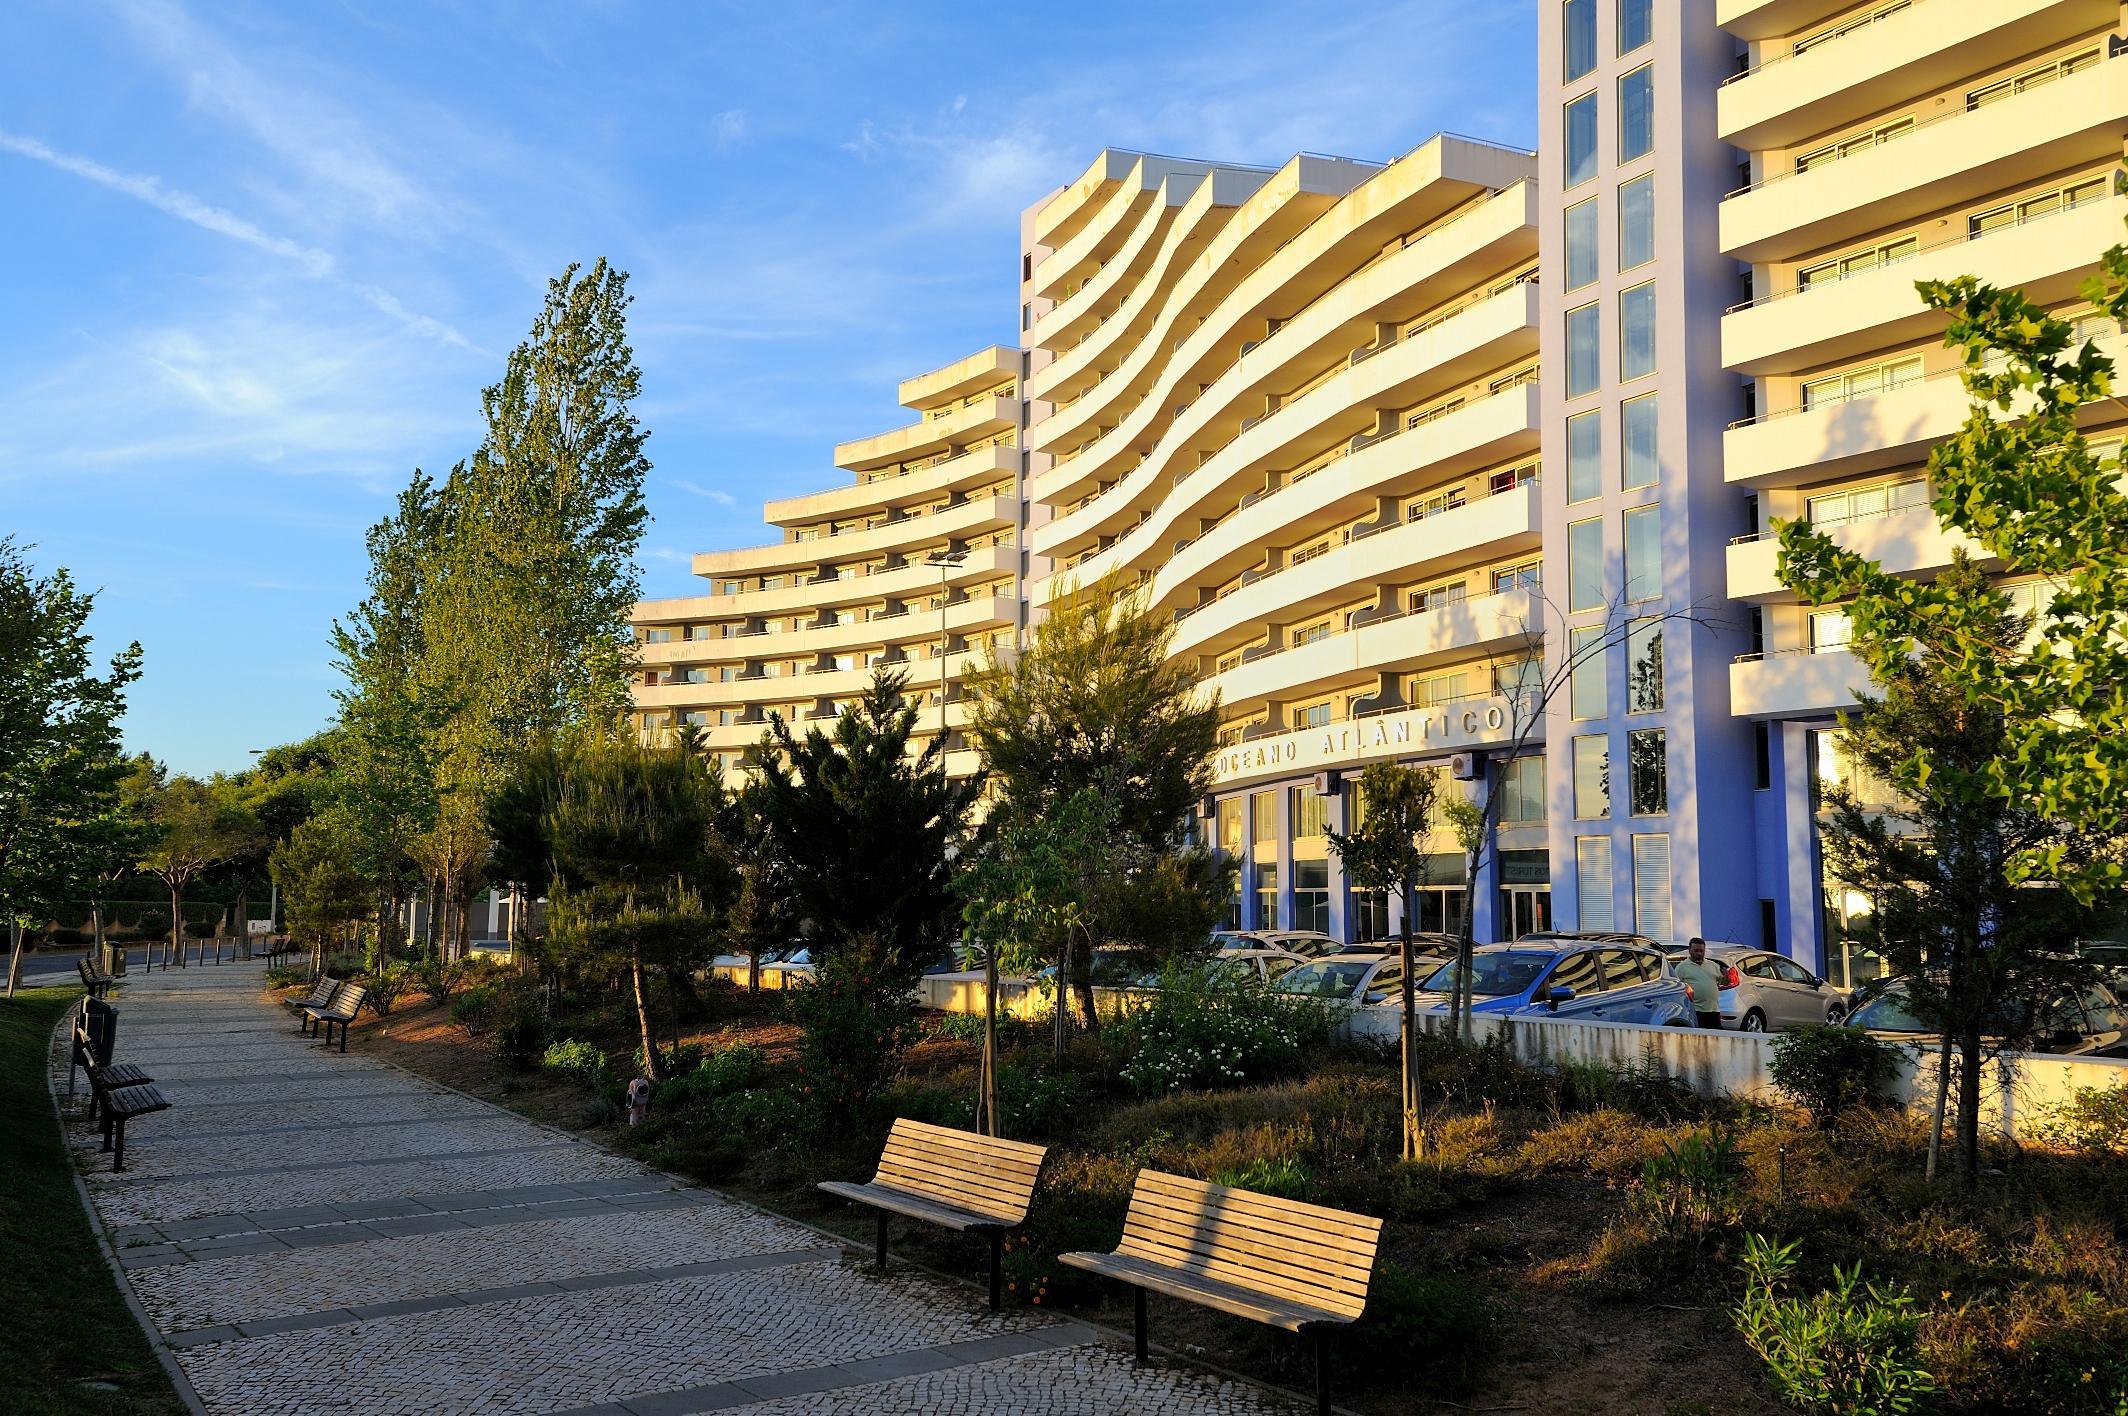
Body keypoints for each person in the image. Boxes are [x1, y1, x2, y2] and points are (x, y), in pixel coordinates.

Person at [1673, 936, 1724, 1029]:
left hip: (1713, 1010)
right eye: (1696, 951)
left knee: (1715, 1039)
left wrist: (1727, 976)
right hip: (1695, 1010)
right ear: (1690, 950)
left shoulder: (1713, 965)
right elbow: (1676, 987)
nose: (1699, 953)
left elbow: (1722, 982)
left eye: (1701, 951)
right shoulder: (1682, 967)